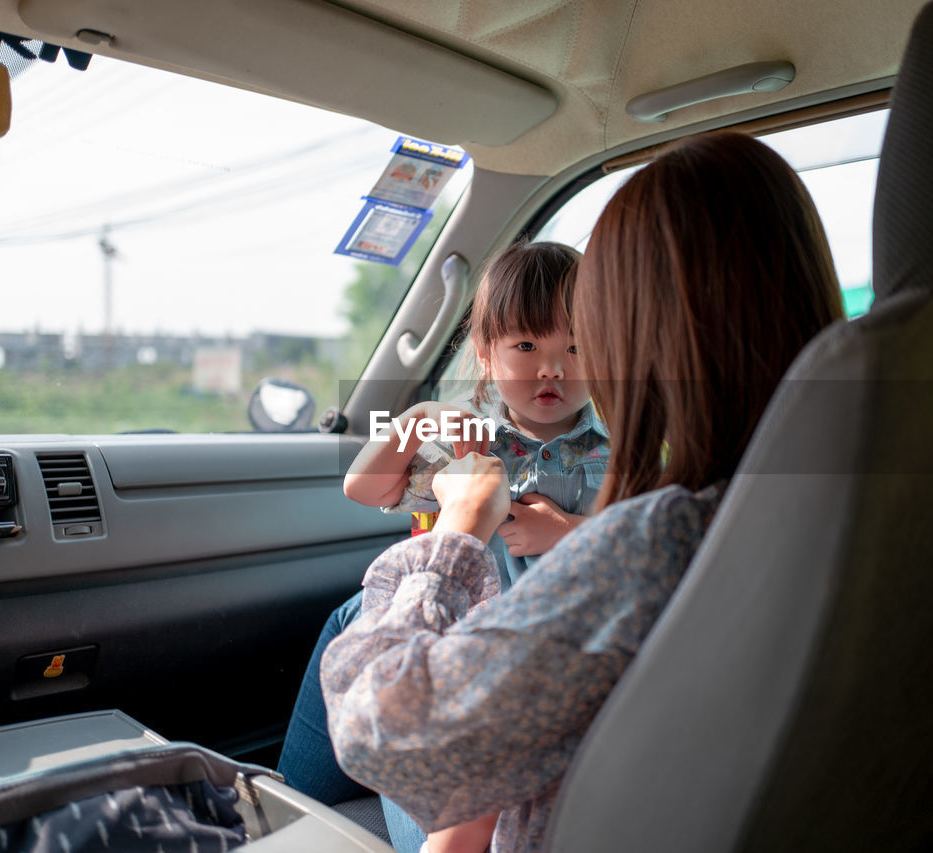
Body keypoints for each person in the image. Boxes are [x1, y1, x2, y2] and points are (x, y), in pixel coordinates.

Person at [319, 130, 846, 853]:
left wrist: (458, 530)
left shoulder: (662, 535)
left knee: (348, 629)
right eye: (530, 345)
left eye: (587, 331)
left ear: (637, 335)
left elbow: (385, 731)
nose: (561, 365)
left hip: (515, 765)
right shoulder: (821, 505)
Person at [277, 241, 610, 851]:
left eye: (576, 347)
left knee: (356, 619)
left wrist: (566, 533)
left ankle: (299, 800)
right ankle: (293, 800)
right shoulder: (466, 437)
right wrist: (418, 417)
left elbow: (631, 544)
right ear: (485, 353)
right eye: (528, 346)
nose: (553, 369)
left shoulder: (612, 451)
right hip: (462, 642)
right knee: (353, 615)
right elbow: (364, 486)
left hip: (528, 666)